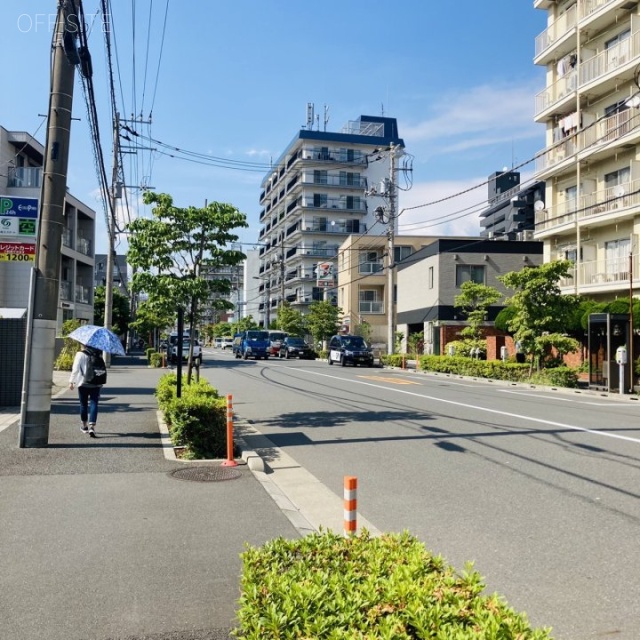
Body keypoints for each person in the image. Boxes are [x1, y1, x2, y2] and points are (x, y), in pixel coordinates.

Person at [69, 346, 105, 438]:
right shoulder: (98, 353)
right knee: (94, 403)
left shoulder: (80, 354)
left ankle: (84, 426)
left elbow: (75, 368)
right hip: (96, 383)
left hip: (83, 383)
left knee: (83, 404)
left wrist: (72, 381)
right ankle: (92, 427)